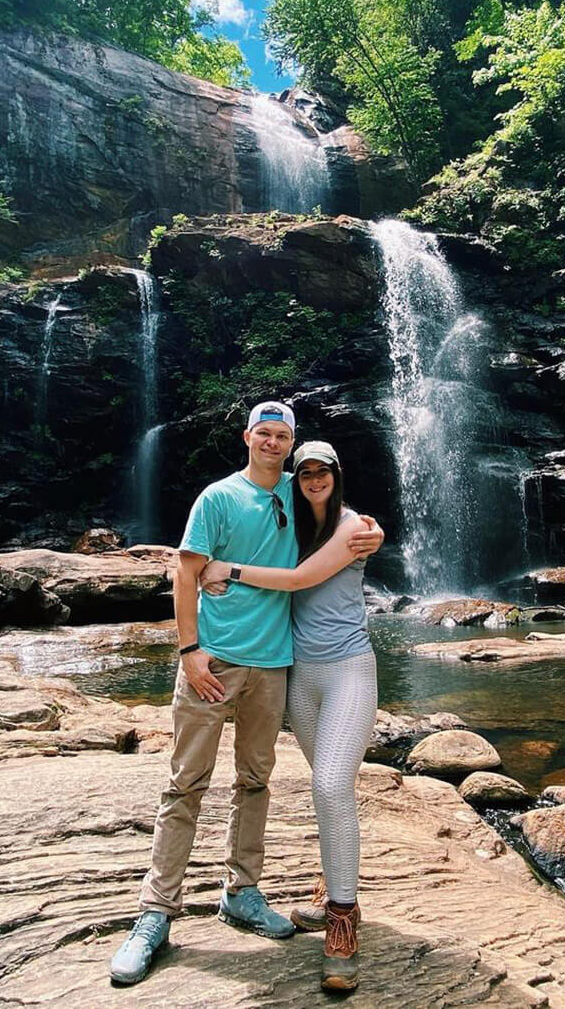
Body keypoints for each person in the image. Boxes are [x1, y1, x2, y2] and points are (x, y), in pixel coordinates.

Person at [110, 402, 382, 987]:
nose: (274, 444)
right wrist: (189, 649)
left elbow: (319, 553)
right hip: (215, 661)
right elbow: (186, 572)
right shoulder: (219, 497)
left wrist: (371, 529)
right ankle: (155, 913)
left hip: (278, 665)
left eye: (283, 436)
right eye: (265, 433)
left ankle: (245, 892)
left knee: (258, 781)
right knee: (186, 783)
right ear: (248, 437)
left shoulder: (308, 500)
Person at [199, 440, 377, 993]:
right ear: (295, 480)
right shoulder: (289, 525)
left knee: (330, 785)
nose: (315, 479)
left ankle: (342, 923)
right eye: (306, 473)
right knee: (329, 792)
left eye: (324, 471)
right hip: (300, 674)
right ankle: (332, 891)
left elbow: (299, 580)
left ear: (338, 475)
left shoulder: (354, 527)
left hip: (348, 669)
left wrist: (228, 569)